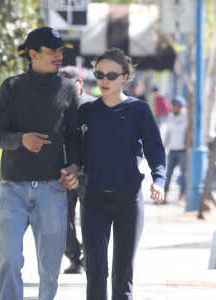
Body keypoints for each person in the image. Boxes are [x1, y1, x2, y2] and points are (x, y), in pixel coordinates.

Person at [0, 26, 80, 300]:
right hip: (13, 188)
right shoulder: (11, 87)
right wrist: (22, 140)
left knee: (50, 268)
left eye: (60, 51)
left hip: (52, 189)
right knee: (8, 259)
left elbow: (74, 136)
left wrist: (74, 167)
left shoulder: (67, 88)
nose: (59, 56)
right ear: (33, 54)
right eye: (52, 51)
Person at [79, 48, 166, 300]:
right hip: (94, 200)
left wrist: (158, 180)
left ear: (125, 77)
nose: (104, 80)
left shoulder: (139, 110)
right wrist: (72, 168)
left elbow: (155, 149)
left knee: (122, 277)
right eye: (99, 74)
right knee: (96, 273)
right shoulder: (87, 111)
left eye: (111, 75)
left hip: (129, 200)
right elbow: (75, 148)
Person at [59, 66, 96, 273]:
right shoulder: (55, 105)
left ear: (80, 83)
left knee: (91, 219)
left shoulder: (93, 105)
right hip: (63, 173)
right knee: (63, 219)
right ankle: (74, 257)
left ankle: (89, 258)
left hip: (88, 174)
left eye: (70, 84)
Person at [163, 95, 188, 206]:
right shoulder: (170, 116)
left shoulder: (186, 117)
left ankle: (182, 197)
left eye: (178, 106)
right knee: (168, 174)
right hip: (172, 150)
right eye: (174, 106)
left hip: (183, 150)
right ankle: (164, 195)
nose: (176, 108)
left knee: (183, 175)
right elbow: (168, 133)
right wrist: (164, 146)